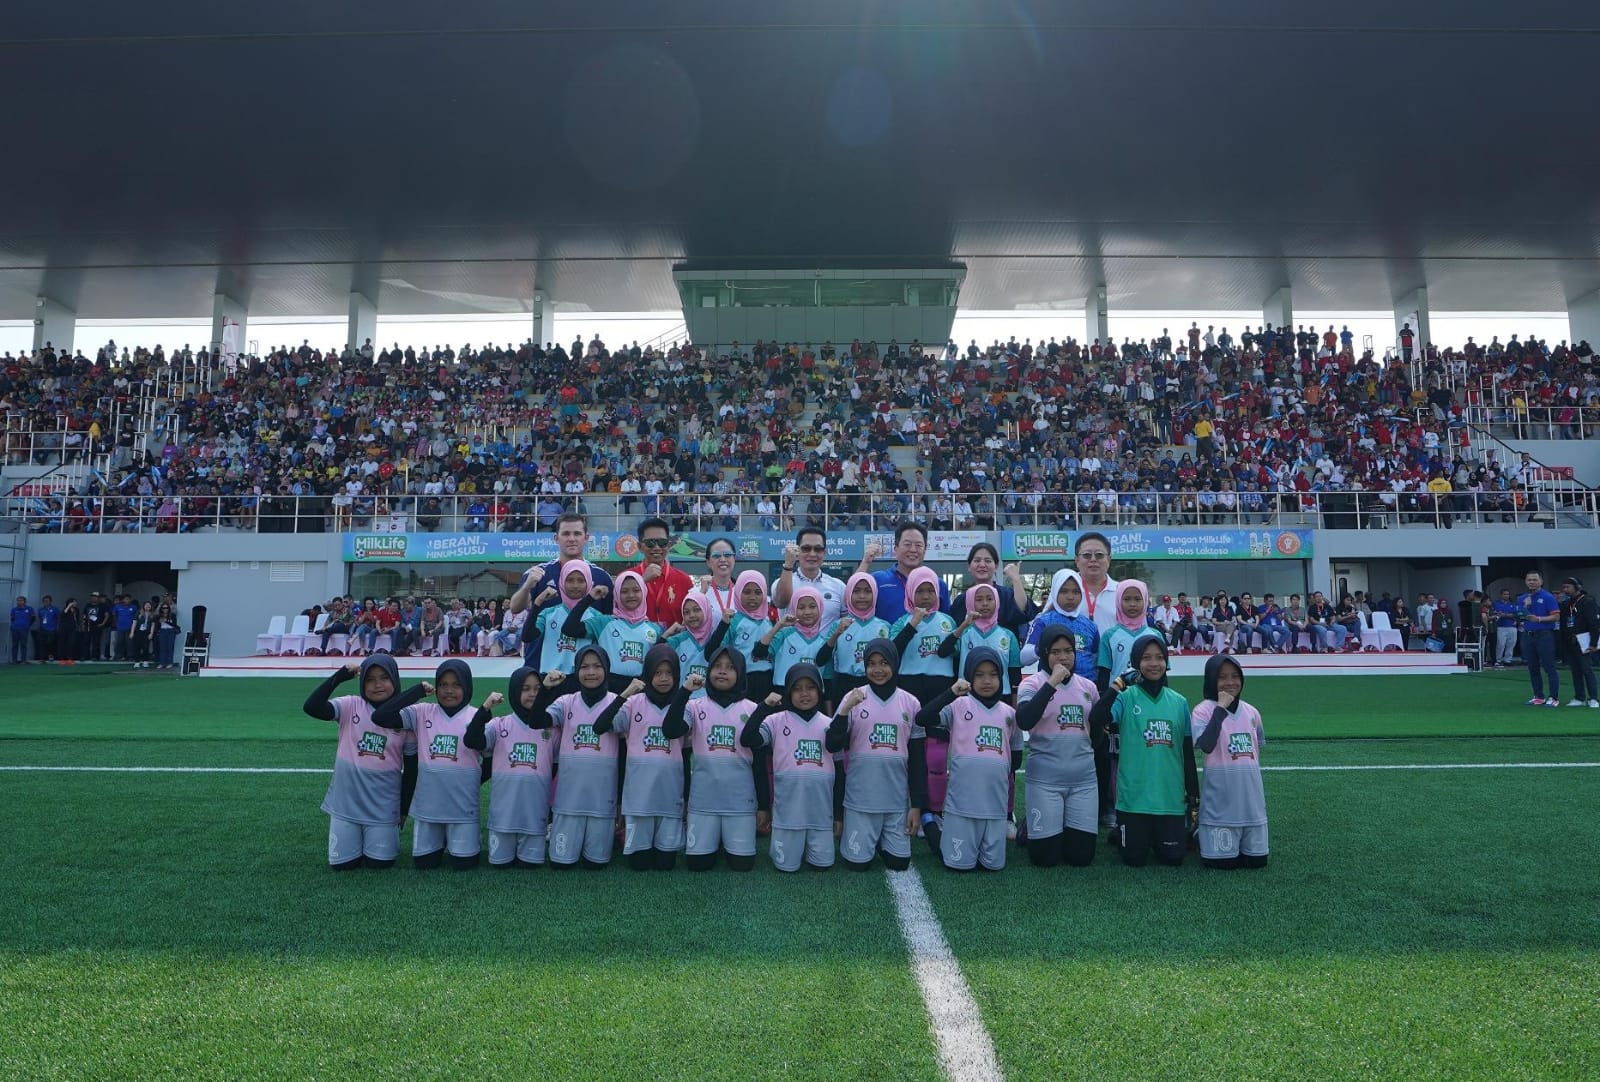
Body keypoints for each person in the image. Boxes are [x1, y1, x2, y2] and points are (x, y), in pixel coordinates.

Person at [1089, 637, 1199, 867]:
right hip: (1133, 800)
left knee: (1173, 858)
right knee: (1133, 859)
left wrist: (1193, 797)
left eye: (1159, 658)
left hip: (1169, 799)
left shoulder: (1179, 702)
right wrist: (1118, 684)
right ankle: (1123, 830)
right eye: (1146, 658)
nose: (1154, 663)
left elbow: (1187, 753)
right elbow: (1097, 717)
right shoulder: (1126, 698)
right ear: (1136, 663)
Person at [300, 654, 416, 870]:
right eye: (370, 679)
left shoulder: (406, 717)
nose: (377, 685)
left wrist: (404, 808)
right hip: (345, 805)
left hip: (383, 807)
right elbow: (312, 707)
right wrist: (341, 675)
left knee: (379, 865)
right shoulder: (350, 705)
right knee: (344, 866)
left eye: (384, 678)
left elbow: (411, 769)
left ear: (395, 680)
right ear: (362, 683)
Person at [372, 659, 487, 870]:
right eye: (443, 684)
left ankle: (465, 837)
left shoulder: (476, 717)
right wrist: (416, 691)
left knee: (464, 865)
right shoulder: (422, 712)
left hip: (463, 809)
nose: (449, 691)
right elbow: (381, 716)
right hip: (427, 809)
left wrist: (474, 780)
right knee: (425, 864)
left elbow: (491, 759)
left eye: (456, 685)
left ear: (467, 686)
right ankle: (438, 840)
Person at [915, 648, 1021, 871]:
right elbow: (923, 717)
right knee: (958, 864)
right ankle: (931, 825)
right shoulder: (958, 706)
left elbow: (1016, 758)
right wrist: (951, 693)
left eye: (993, 674)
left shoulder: (1009, 714)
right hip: (961, 806)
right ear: (969, 676)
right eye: (979, 674)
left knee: (992, 866)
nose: (986, 681)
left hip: (995, 807)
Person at [826, 639, 926, 871]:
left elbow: (918, 759)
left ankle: (883, 839)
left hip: (896, 802)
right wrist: (844, 711)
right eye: (871, 663)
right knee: (857, 866)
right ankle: (867, 836)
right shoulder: (854, 697)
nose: (878, 669)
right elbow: (832, 744)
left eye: (884, 663)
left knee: (899, 864)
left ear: (894, 663)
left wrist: (917, 805)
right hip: (860, 801)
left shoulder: (910, 702)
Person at [667, 647, 767, 872]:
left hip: (740, 802)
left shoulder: (753, 709)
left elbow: (760, 763)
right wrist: (684, 692)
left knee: (742, 866)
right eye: (717, 667)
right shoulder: (694, 706)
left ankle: (726, 839)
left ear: (741, 673)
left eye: (730, 668)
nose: (723, 672)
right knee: (698, 865)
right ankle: (714, 839)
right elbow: (671, 730)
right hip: (703, 802)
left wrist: (763, 806)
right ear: (709, 670)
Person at [533, 645, 629, 869]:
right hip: (568, 800)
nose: (591, 672)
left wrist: (621, 798)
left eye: (597, 666)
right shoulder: (566, 702)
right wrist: (545, 690)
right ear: (576, 670)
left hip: (602, 801)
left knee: (596, 865)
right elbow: (537, 721)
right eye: (584, 667)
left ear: (607, 669)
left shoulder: (619, 703)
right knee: (561, 864)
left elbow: (625, 753)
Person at [1015, 626, 1103, 867]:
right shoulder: (1031, 684)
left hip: (1083, 781)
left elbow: (1096, 732)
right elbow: (1024, 720)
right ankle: (1029, 826)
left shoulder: (1088, 687)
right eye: (1055, 651)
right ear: (1044, 654)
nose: (1063, 657)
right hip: (1045, 781)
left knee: (1081, 857)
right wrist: (1052, 682)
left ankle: (1062, 822)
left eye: (1068, 651)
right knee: (1045, 859)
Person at [742, 663, 838, 872]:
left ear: (820, 690)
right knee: (787, 868)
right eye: (797, 688)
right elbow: (748, 738)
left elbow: (841, 773)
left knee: (822, 867)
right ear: (788, 692)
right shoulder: (776, 721)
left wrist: (838, 814)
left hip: (821, 817)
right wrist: (764, 706)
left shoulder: (829, 724)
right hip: (787, 817)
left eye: (810, 687)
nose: (804, 694)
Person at [465, 667, 556, 869]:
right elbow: (472, 740)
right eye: (525, 689)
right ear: (515, 692)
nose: (533, 693)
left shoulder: (551, 728)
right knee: (500, 866)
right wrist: (485, 709)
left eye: (537, 688)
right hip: (502, 817)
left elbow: (557, 767)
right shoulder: (499, 725)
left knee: (530, 867)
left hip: (535, 816)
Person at [606, 644, 687, 871]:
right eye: (657, 673)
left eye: (669, 673)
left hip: (670, 796)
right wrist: (624, 694)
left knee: (665, 865)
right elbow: (601, 725)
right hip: (638, 799)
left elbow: (687, 752)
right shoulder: (634, 704)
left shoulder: (684, 706)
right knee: (639, 864)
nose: (663, 679)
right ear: (647, 673)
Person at [1191, 654, 1269, 870]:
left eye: (1235, 676)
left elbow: (1257, 746)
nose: (1230, 682)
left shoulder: (1252, 712)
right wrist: (1220, 709)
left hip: (1252, 805)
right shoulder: (1203, 710)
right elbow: (1205, 745)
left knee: (1257, 863)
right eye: (1222, 677)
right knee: (1224, 865)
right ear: (1211, 680)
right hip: (1220, 806)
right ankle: (1200, 833)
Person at [561, 571, 663, 691]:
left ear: (644, 592)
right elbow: (569, 629)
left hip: (640, 689)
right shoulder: (603, 623)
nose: (631, 595)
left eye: (636, 590)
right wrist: (589, 598)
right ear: (616, 595)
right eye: (624, 591)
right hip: (607, 688)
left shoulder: (654, 629)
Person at [508, 512, 614, 619]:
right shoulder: (538, 573)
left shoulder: (602, 577)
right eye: (566, 534)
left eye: (577, 534)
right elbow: (515, 608)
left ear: (586, 538)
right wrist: (527, 587)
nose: (571, 539)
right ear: (556, 538)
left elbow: (610, 617)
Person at [940, 583, 1023, 695]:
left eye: (989, 599)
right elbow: (943, 651)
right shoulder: (963, 633)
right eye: (979, 599)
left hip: (1002, 696)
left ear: (997, 602)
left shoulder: (1008, 635)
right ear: (970, 602)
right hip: (967, 695)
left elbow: (1015, 673)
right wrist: (963, 625)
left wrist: (1014, 702)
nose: (985, 604)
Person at [756, 585, 837, 693]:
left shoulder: (825, 643)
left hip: (811, 698)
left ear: (820, 608)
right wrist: (779, 625)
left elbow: (826, 679)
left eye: (812, 606)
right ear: (793, 609)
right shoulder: (784, 634)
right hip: (782, 694)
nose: (807, 612)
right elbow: (758, 653)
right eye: (801, 607)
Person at [863, 522, 950, 622]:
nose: (913, 550)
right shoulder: (877, 580)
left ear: (925, 550)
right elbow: (850, 600)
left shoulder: (939, 584)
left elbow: (945, 623)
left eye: (918, 545)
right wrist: (865, 562)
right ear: (895, 549)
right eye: (907, 544)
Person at [1022, 569, 1099, 678]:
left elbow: (1096, 658)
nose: (1070, 597)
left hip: (1085, 688)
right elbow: (1024, 658)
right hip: (1051, 687)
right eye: (1064, 591)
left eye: (1076, 592)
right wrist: (1044, 647)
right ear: (1054, 592)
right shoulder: (1043, 621)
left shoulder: (1091, 626)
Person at [828, 573, 892, 704]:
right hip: (844, 685)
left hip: (876, 684)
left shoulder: (884, 626)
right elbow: (822, 659)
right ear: (848, 594)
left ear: (875, 594)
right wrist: (836, 634)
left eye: (868, 591)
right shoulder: (838, 625)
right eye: (856, 591)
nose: (862, 596)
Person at [948, 543, 1038, 634]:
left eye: (988, 561)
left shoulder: (1007, 595)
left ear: (996, 566)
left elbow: (1024, 613)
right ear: (969, 566)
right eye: (977, 560)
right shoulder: (960, 601)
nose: (982, 565)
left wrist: (1016, 580)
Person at [773, 527, 847, 626]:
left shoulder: (839, 586)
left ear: (824, 553)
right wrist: (788, 565)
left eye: (818, 549)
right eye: (806, 548)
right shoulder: (781, 583)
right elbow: (780, 603)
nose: (812, 554)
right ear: (797, 551)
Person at [630, 517, 694, 627]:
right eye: (650, 543)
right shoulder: (627, 578)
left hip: (673, 642)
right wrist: (641, 581)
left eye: (662, 543)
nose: (656, 547)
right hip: (637, 642)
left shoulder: (684, 580)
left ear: (668, 545)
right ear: (640, 547)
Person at [663, 588, 729, 694]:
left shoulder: (718, 640)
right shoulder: (677, 641)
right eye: (686, 612)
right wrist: (665, 635)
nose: (692, 615)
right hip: (683, 702)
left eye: (697, 610)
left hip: (711, 704)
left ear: (706, 610)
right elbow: (655, 658)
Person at [724, 570, 776, 703]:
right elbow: (722, 650)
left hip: (767, 678)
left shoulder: (769, 620)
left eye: (758, 593)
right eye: (747, 592)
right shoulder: (734, 620)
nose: (752, 597)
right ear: (738, 592)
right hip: (742, 679)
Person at [1518, 571, 1561, 707]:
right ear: (1525, 581)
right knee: (1532, 667)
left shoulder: (1548, 597)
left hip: (1544, 634)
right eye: (1529, 579)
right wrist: (1525, 607)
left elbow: (1556, 616)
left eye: (1534, 579)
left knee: (1549, 667)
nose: (1531, 582)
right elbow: (1520, 616)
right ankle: (1538, 696)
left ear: (1540, 581)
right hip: (1528, 635)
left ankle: (1553, 697)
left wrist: (1539, 619)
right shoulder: (1522, 598)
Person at [1557, 577, 1599, 708]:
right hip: (1570, 640)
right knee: (1575, 670)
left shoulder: (1588, 601)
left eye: (1568, 587)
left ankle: (1593, 698)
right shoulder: (1567, 603)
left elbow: (1594, 624)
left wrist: (1593, 643)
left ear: (1577, 587)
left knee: (1587, 669)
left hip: (1584, 640)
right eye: (1564, 587)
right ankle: (1579, 697)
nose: (1565, 590)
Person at [1073, 532, 1119, 631]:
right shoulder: (1063, 590)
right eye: (1087, 555)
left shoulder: (1122, 592)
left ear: (1109, 559)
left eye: (1099, 555)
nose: (1093, 559)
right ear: (1076, 560)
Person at [699, 536, 740, 621]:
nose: (722, 559)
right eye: (716, 555)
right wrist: (701, 594)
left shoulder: (742, 592)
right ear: (708, 562)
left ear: (734, 559)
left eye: (728, 555)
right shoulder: (697, 592)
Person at [1490, 589, 1520, 668]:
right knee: (1501, 644)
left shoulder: (1512, 604)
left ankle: (1507, 660)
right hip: (1501, 627)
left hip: (1512, 627)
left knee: (1511, 644)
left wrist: (1504, 615)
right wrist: (1508, 615)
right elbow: (1497, 614)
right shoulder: (1496, 604)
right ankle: (1498, 660)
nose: (1506, 595)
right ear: (1501, 595)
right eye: (1504, 594)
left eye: (1507, 594)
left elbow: (1516, 614)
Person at [154, 602, 181, 671]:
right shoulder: (159, 616)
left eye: (166, 608)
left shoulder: (172, 615)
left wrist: (166, 621)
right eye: (163, 608)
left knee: (170, 647)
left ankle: (170, 663)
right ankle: (162, 663)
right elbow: (156, 625)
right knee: (162, 647)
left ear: (168, 608)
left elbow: (174, 624)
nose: (165, 609)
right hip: (162, 631)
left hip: (171, 631)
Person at [32, 594, 59, 663]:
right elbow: (40, 618)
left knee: (50, 643)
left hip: (52, 629)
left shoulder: (55, 609)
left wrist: (56, 628)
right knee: (42, 644)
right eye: (44, 601)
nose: (46, 602)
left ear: (50, 601)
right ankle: (42, 658)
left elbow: (58, 619)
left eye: (47, 601)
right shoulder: (40, 610)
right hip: (43, 629)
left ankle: (51, 656)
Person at [9, 595, 33, 664]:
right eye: (18, 600)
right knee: (14, 645)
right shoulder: (14, 609)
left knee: (23, 645)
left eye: (20, 600)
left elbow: (33, 618)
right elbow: (12, 619)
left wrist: (27, 625)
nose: (19, 602)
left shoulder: (29, 609)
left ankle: (23, 660)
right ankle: (14, 660)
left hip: (24, 629)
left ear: (24, 602)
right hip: (15, 629)